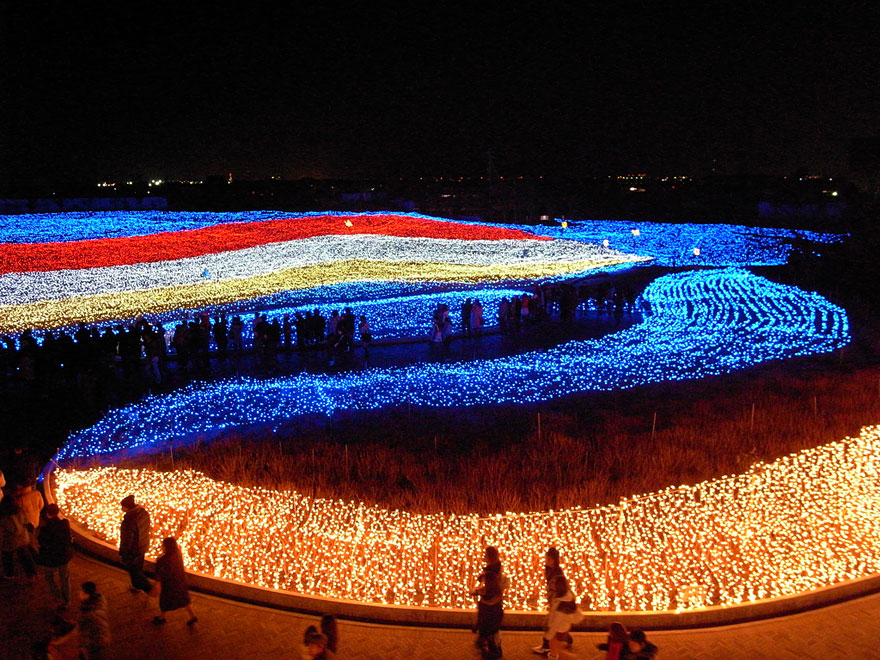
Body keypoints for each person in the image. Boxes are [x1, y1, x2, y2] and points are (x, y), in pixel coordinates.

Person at [152, 537, 197, 626]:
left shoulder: (163, 560)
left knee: (165, 602)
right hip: (180, 583)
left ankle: (162, 617)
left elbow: (161, 573)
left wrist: (158, 583)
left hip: (169, 586)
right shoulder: (178, 555)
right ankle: (193, 616)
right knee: (184, 601)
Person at [37, 503, 74, 610]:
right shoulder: (65, 523)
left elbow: (41, 541)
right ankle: (67, 600)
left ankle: (57, 597)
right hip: (64, 556)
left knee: (49, 577)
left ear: (47, 514)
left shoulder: (46, 528)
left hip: (51, 558)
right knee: (65, 579)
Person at [471, 546, 506, 659]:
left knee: (489, 630)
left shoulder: (491, 573)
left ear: (489, 557)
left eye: (485, 556)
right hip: (496, 605)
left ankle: (493, 652)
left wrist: (477, 592)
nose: (484, 558)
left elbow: (489, 591)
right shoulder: (497, 568)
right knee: (493, 631)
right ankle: (492, 648)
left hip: (490, 606)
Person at [532, 547, 566, 655]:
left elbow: (559, 587)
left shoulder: (557, 572)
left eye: (549, 559)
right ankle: (552, 644)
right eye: (546, 559)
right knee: (552, 624)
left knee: (549, 624)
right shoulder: (549, 569)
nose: (547, 561)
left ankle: (547, 646)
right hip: (553, 600)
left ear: (554, 559)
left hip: (556, 600)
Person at [119, 495, 152, 594]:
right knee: (138, 568)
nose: (121, 508)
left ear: (127, 507)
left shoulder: (129, 521)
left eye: (123, 506)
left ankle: (147, 588)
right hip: (142, 545)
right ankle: (138, 586)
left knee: (134, 571)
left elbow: (127, 539)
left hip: (133, 550)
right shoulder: (143, 513)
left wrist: (124, 553)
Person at [0, 495, 37, 582]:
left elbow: (10, 528)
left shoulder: (4, 517)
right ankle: (31, 574)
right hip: (22, 538)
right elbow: (26, 521)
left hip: (10, 540)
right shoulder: (20, 510)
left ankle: (9, 574)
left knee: (7, 556)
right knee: (24, 555)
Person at [544, 577, 582, 660]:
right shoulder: (566, 596)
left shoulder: (562, 604)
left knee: (559, 652)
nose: (551, 585)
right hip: (563, 628)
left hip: (559, 630)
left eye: (554, 584)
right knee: (556, 650)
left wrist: (549, 635)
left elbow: (556, 622)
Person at [78, 581, 111, 660]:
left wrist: (83, 646)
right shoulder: (98, 601)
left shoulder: (90, 613)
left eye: (82, 592)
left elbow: (91, 629)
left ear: (87, 595)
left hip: (94, 643)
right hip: (96, 641)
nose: (79, 593)